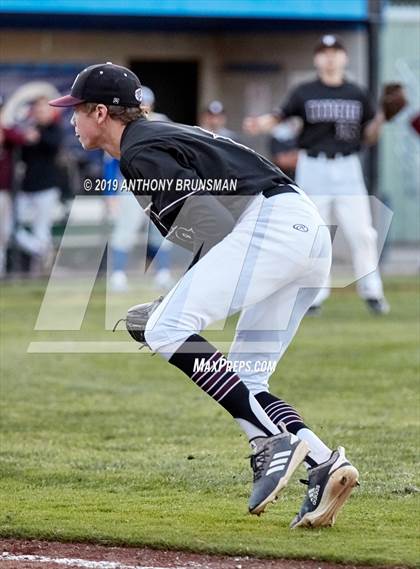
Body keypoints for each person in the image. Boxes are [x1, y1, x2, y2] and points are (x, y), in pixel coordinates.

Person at [50, 62, 359, 529]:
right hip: (303, 230)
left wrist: (170, 306)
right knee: (248, 380)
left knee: (166, 327)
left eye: (75, 109)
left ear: (100, 112)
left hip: (272, 228)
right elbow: (213, 229)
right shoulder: (155, 138)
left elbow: (210, 227)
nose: (70, 119)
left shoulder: (140, 151)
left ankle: (268, 442)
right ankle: (323, 463)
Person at [244, 34, 389, 316]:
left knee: (362, 232)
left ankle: (372, 291)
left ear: (344, 57)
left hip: (348, 165)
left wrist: (383, 117)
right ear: (317, 59)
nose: (330, 56)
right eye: (324, 52)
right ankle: (314, 296)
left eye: (335, 51)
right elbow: (279, 116)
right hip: (313, 164)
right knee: (315, 233)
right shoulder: (304, 91)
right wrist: (260, 123)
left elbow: (369, 136)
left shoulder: (356, 93)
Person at [15, 96, 63, 272]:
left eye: (43, 109)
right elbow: (21, 153)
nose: (40, 113)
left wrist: (37, 137)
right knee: (12, 228)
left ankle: (41, 270)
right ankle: (44, 252)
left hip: (47, 187)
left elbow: (53, 145)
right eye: (37, 110)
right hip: (27, 187)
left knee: (42, 229)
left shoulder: (54, 129)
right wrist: (27, 138)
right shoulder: (29, 128)